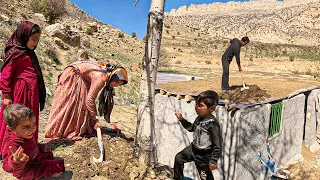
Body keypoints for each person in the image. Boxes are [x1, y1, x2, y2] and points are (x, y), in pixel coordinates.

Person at [45, 61, 128, 141]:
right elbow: (90, 100)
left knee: (79, 106)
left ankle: (70, 128)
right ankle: (60, 130)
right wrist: (94, 120)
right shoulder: (101, 78)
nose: (116, 85)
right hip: (73, 75)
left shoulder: (105, 74)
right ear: (112, 76)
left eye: (119, 84)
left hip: (80, 75)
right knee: (69, 104)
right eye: (116, 82)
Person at [0, 21, 46, 157]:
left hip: (32, 94)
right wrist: (7, 95)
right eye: (33, 39)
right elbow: (5, 75)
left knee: (29, 121)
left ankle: (28, 146)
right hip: (20, 94)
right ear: (24, 35)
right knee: (17, 119)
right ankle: (10, 149)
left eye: (38, 40)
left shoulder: (30, 53)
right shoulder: (15, 53)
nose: (35, 43)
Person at [2, 104, 65, 179]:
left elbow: (32, 144)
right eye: (26, 127)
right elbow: (6, 167)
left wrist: (40, 146)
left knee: (47, 151)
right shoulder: (11, 144)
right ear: (12, 129)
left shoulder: (25, 134)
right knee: (58, 166)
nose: (32, 129)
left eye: (34, 124)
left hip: (36, 158)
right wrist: (16, 161)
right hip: (27, 169)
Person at [173, 90, 222, 180]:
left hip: (204, 156)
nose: (196, 108)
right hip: (193, 150)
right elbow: (191, 128)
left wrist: (214, 160)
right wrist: (182, 119)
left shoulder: (213, 124)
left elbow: (217, 144)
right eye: (196, 104)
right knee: (179, 158)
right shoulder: (199, 118)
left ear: (212, 108)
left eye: (200, 105)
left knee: (204, 176)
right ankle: (177, 178)